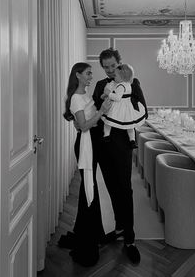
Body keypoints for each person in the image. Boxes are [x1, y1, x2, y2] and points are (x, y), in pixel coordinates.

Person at [92, 48, 148, 264]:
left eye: (112, 66)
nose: (109, 70)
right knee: (112, 187)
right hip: (104, 144)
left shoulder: (133, 82)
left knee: (125, 188)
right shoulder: (100, 85)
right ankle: (118, 227)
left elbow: (143, 109)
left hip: (123, 144)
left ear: (119, 63)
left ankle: (130, 239)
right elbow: (97, 112)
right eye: (105, 67)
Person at [61, 62, 111, 267]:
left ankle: (88, 232)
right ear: (78, 75)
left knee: (88, 187)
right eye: (88, 73)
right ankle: (87, 238)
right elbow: (82, 126)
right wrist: (102, 112)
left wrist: (100, 103)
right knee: (88, 186)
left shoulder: (84, 95)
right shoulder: (75, 97)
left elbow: (85, 117)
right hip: (85, 144)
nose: (91, 76)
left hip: (93, 143)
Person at [101, 63, 146, 149]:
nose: (114, 77)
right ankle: (132, 140)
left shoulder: (121, 86)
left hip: (119, 106)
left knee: (108, 121)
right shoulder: (128, 85)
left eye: (116, 75)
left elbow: (117, 98)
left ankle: (106, 135)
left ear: (122, 77)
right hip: (127, 106)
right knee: (130, 126)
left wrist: (108, 93)